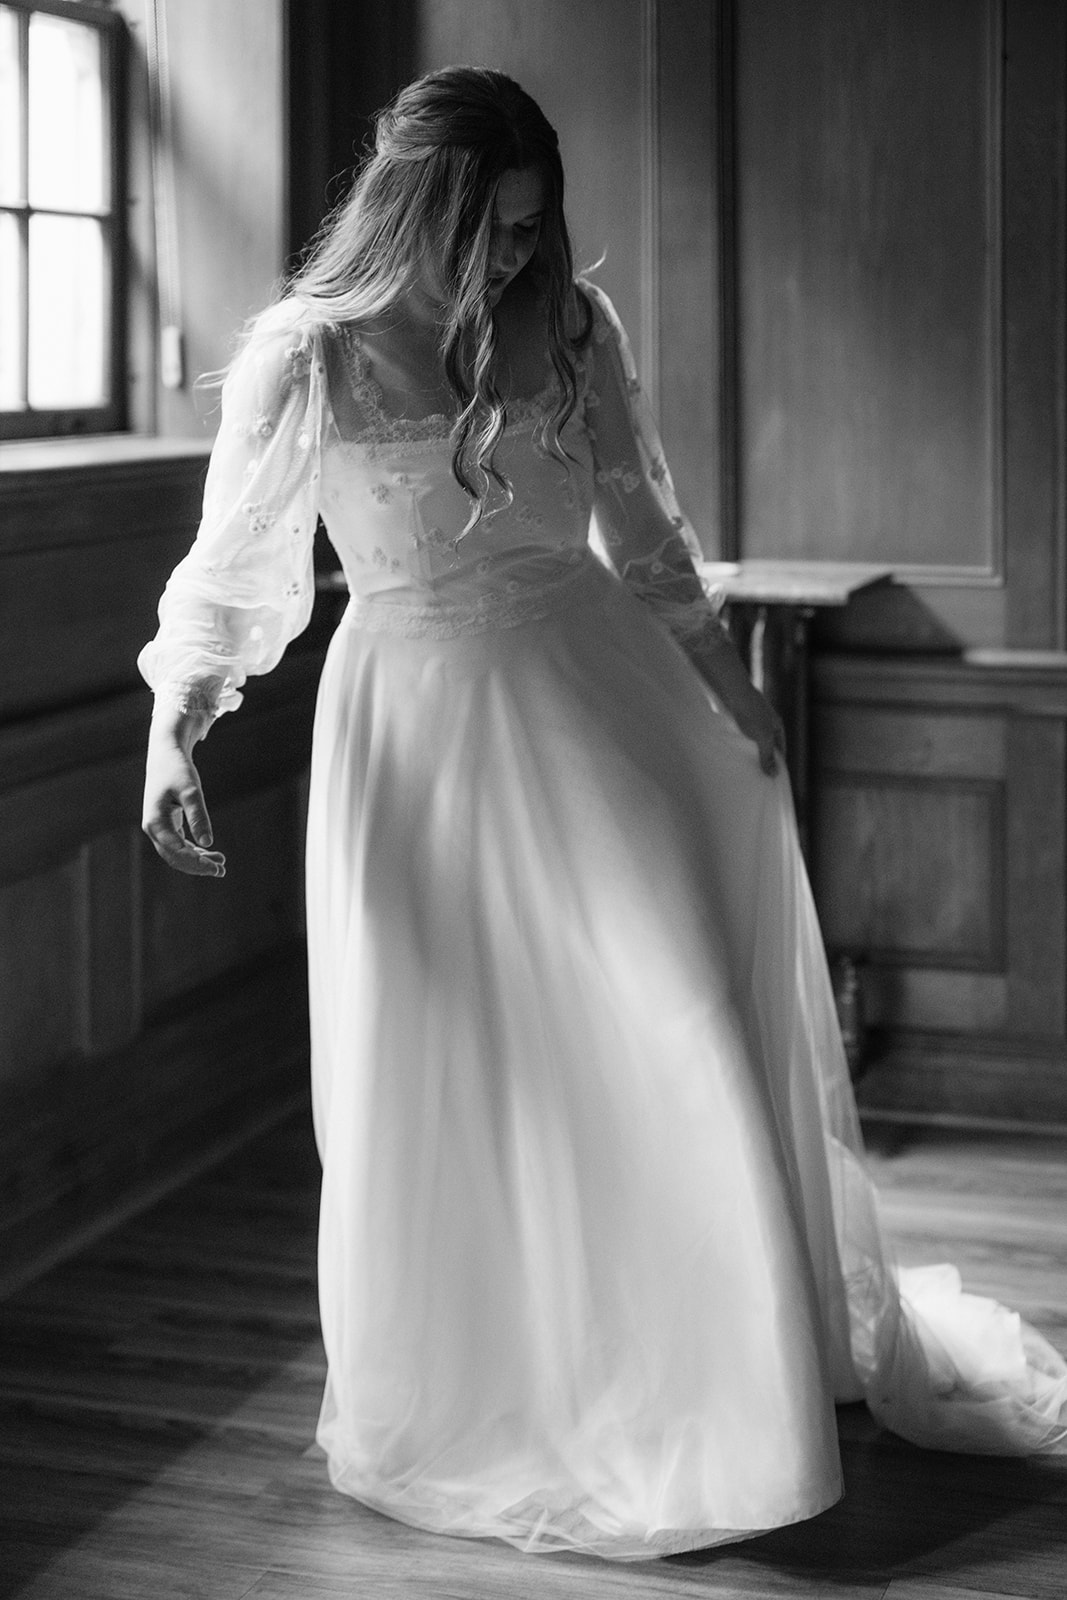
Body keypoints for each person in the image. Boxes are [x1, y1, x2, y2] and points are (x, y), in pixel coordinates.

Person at [140, 67, 1067, 1561]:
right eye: (490, 231)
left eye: (531, 227)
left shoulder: (571, 326)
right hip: (413, 742)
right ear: (415, 212)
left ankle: (738, 1395)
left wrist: (729, 686)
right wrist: (170, 734)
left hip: (599, 697)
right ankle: (525, 1389)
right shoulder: (304, 362)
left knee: (679, 1014)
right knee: (462, 1076)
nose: (516, 256)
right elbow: (228, 576)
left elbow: (642, 526)